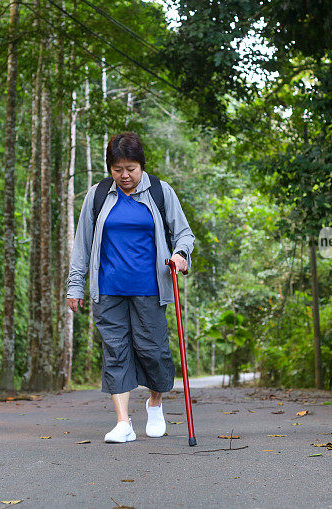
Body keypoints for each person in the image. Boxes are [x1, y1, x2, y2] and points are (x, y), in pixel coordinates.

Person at [66, 132, 195, 443]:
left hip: (150, 287)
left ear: (142, 166)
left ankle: (155, 403)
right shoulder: (97, 196)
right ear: (110, 168)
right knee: (116, 351)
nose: (125, 176)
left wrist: (180, 255)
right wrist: (75, 285)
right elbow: (82, 243)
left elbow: (184, 234)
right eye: (118, 169)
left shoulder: (161, 193)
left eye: (131, 169)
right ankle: (123, 422)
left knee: (153, 350)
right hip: (108, 288)